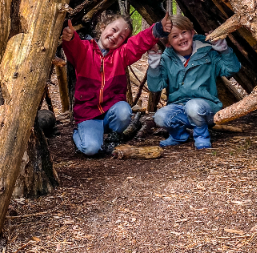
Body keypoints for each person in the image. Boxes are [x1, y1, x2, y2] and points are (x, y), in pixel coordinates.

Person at [61, 12, 171, 156]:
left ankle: (114, 136)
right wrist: (70, 38)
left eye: (121, 37)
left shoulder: (121, 54)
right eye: (114, 30)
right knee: (91, 149)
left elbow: (137, 43)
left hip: (111, 111)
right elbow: (74, 47)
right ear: (102, 27)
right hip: (89, 114)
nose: (115, 36)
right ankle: (80, 134)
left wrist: (156, 29)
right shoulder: (84, 50)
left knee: (124, 112)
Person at [147, 14, 240, 150]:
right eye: (175, 36)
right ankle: (178, 135)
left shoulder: (207, 52)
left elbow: (232, 69)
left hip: (206, 106)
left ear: (192, 32)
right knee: (160, 116)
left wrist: (224, 50)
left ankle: (202, 136)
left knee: (193, 107)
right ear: (168, 43)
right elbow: (155, 86)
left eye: (184, 32)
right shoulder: (167, 59)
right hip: (179, 107)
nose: (181, 38)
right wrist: (154, 67)